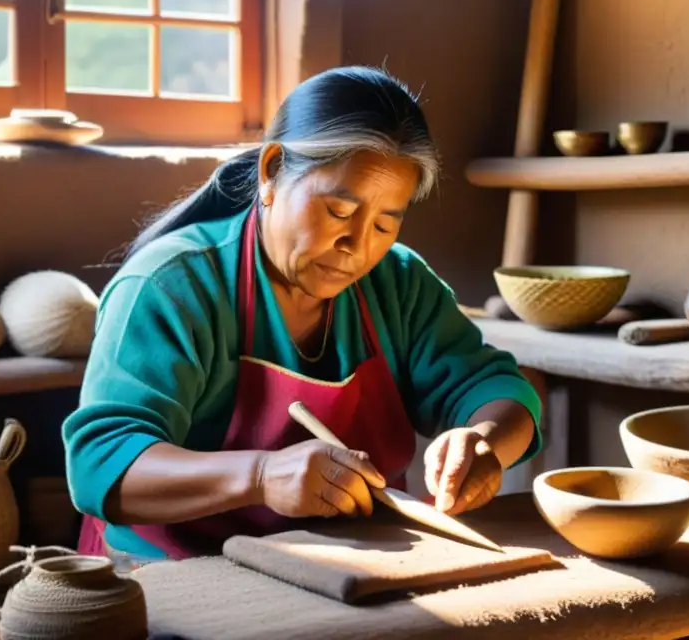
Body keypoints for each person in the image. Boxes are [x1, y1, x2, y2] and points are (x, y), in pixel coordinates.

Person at [63, 65, 543, 564]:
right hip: (178, 569)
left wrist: (484, 443)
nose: (356, 247)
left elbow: (497, 389)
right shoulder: (171, 286)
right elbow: (101, 464)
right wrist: (260, 476)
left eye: (384, 224)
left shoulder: (398, 283)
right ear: (272, 172)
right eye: (338, 212)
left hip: (352, 559)